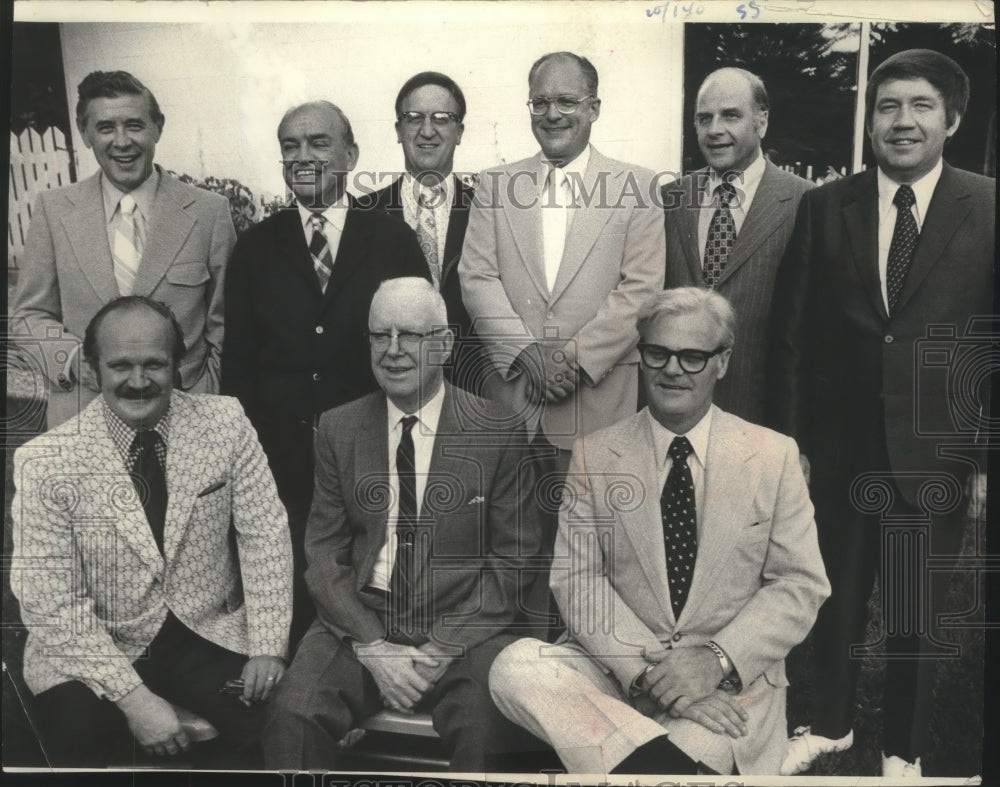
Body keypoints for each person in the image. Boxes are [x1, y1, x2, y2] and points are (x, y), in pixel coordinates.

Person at [488, 287, 829, 775]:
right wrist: (651, 677)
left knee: (695, 750)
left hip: (728, 690)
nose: (673, 369)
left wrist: (713, 660)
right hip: (617, 675)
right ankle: (652, 760)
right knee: (515, 666)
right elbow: (577, 582)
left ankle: (625, 758)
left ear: (723, 362)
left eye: (692, 357)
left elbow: (800, 585)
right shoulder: (596, 455)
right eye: (658, 353)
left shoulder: (773, 456)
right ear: (641, 357)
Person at [768, 49, 993, 778]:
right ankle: (828, 724)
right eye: (888, 107)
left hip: (938, 452)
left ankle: (904, 748)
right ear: (871, 123)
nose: (902, 121)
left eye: (920, 106)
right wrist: (794, 443)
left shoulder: (989, 209)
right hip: (837, 453)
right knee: (830, 597)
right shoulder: (824, 205)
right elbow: (793, 334)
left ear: (951, 121)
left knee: (914, 614)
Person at [263, 278, 543, 770]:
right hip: (363, 620)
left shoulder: (498, 429)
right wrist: (371, 645)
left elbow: (514, 561)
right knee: (295, 712)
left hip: (462, 625)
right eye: (379, 336)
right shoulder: (338, 427)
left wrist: (440, 647)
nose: (392, 351)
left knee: (481, 727)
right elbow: (324, 556)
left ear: (446, 343)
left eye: (410, 335)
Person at [10, 296, 293, 768]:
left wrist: (267, 647)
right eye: (121, 365)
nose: (138, 382)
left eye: (155, 365)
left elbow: (265, 534)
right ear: (93, 367)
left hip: (203, 635)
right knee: (80, 739)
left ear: (177, 364)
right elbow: (52, 605)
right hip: (91, 647)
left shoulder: (226, 424)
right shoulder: (45, 462)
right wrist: (135, 699)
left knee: (274, 723)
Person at [221, 101, 430, 644]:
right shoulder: (255, 247)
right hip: (278, 454)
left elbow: (417, 348)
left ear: (351, 154)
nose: (302, 156)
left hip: (368, 447)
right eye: (290, 146)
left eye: (318, 142)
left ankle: (370, 669)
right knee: (289, 575)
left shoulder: (391, 239)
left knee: (361, 573)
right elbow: (238, 364)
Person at [459, 51, 665, 467]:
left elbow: (642, 289)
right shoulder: (494, 185)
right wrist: (527, 354)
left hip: (598, 406)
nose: (552, 114)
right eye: (540, 102)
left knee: (594, 530)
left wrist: (573, 361)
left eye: (567, 102)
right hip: (512, 403)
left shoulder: (639, 186)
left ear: (594, 108)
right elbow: (476, 277)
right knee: (512, 532)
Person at [12, 70, 235, 430]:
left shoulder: (208, 212)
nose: (122, 141)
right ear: (85, 133)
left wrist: (207, 400)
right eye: (105, 128)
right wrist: (72, 360)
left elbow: (226, 325)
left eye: (134, 125)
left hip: (187, 416)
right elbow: (28, 316)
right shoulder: (54, 210)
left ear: (157, 128)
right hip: (84, 415)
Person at [661, 67, 813, 425]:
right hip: (676, 415)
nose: (714, 130)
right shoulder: (670, 199)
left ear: (761, 121)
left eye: (730, 115)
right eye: (704, 118)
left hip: (761, 416)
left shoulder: (805, 202)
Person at [366, 71, 485, 394]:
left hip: (472, 395)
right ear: (398, 129)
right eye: (414, 118)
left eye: (442, 118)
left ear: (459, 131)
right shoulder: (361, 215)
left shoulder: (489, 212)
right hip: (385, 396)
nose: (427, 131)